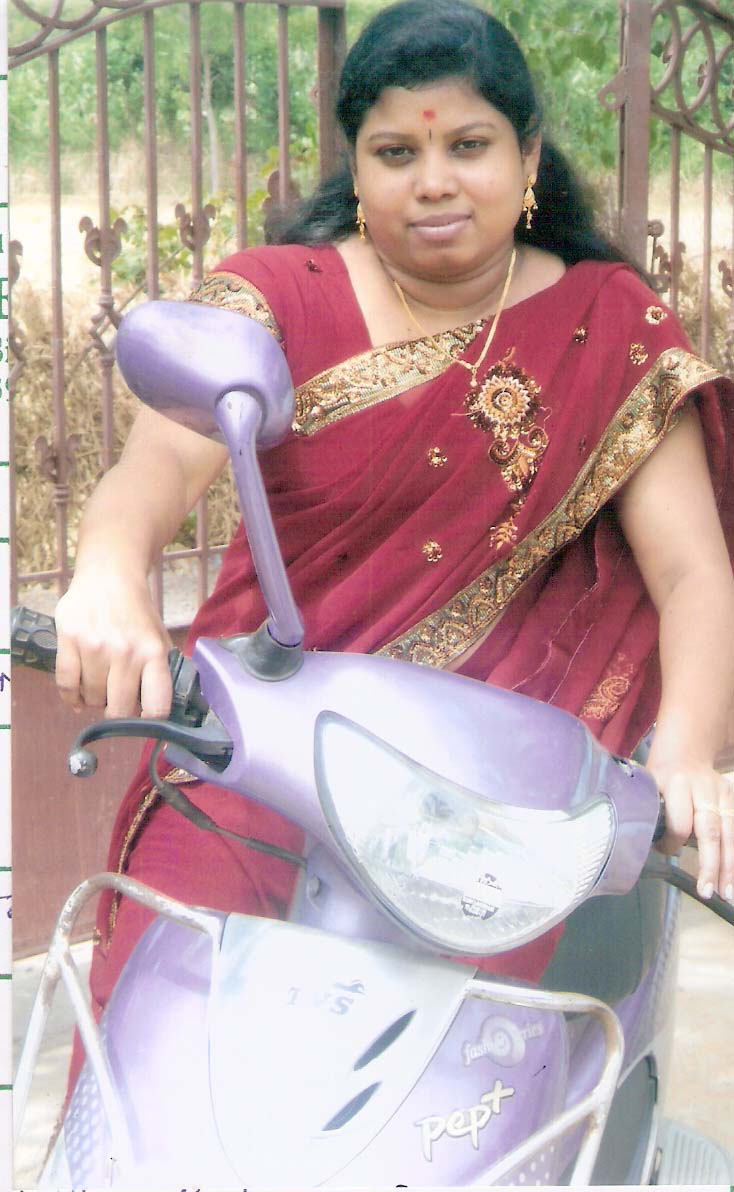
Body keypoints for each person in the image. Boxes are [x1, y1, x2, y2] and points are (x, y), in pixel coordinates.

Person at [54, 0, 734, 1080]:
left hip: (473, 810)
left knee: (440, 1097)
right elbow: (154, 470)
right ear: (357, 168)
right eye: (396, 152)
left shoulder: (606, 323)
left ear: (526, 161)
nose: (433, 182)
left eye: (468, 145)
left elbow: (692, 569)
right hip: (255, 760)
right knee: (164, 1066)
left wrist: (687, 752)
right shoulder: (282, 298)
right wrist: (106, 572)